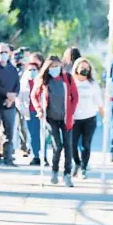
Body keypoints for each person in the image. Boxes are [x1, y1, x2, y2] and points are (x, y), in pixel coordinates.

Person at [31, 56, 79, 187]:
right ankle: (54, 171)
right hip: (50, 117)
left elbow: (75, 97)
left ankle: (67, 174)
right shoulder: (44, 80)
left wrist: (71, 112)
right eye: (52, 67)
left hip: (65, 118)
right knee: (57, 146)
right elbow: (34, 95)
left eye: (57, 66)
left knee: (68, 145)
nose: (55, 69)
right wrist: (39, 110)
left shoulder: (67, 78)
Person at [71, 57, 104, 179]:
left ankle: (83, 168)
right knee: (72, 144)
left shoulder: (92, 84)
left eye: (87, 68)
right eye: (82, 67)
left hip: (89, 118)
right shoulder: (71, 82)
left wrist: (103, 116)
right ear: (76, 68)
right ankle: (77, 163)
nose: (84, 69)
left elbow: (99, 102)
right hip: (74, 118)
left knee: (86, 144)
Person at [17, 61, 48, 166]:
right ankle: (36, 156)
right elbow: (19, 98)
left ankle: (44, 156)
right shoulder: (23, 82)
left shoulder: (41, 82)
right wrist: (22, 110)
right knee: (32, 136)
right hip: (29, 113)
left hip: (40, 112)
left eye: (34, 69)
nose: (32, 72)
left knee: (42, 135)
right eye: (30, 69)